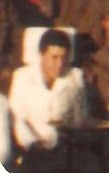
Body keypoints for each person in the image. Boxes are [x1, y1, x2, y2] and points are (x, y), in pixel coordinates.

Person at [9, 29, 88, 172]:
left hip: (64, 154)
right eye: (54, 57)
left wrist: (65, 127)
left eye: (64, 57)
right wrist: (32, 144)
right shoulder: (22, 78)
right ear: (41, 55)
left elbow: (80, 118)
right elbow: (17, 118)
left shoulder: (75, 79)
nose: (60, 64)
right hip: (30, 153)